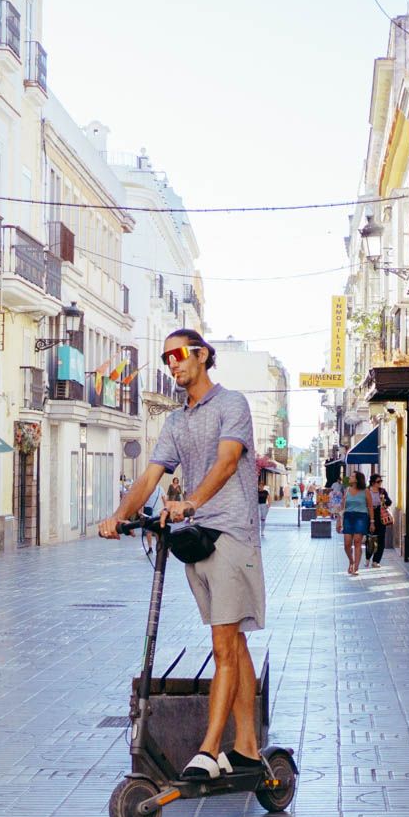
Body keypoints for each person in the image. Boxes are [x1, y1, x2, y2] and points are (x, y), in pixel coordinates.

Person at [101, 329, 266, 783]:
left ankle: (211, 749)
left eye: (178, 354)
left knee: (222, 645)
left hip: (231, 532)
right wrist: (119, 515)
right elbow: (151, 475)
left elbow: (228, 461)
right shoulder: (175, 422)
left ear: (203, 355)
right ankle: (248, 747)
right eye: (166, 357)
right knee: (233, 643)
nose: (171, 363)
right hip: (197, 537)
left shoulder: (232, 404)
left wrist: (192, 501)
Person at [340, 472, 370, 575]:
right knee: (347, 544)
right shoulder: (347, 490)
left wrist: (373, 522)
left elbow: (370, 507)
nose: (350, 478)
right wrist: (339, 521)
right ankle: (351, 561)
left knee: (357, 541)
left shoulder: (365, 491)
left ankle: (355, 567)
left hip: (361, 517)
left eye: (352, 476)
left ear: (357, 479)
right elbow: (342, 506)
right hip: (348, 517)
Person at [367, 474, 391, 567]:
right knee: (370, 537)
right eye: (378, 482)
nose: (380, 483)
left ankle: (376, 561)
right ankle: (368, 557)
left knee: (381, 538)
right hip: (369, 514)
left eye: (381, 481)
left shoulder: (382, 491)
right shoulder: (367, 491)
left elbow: (389, 502)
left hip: (380, 514)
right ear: (373, 483)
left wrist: (384, 500)